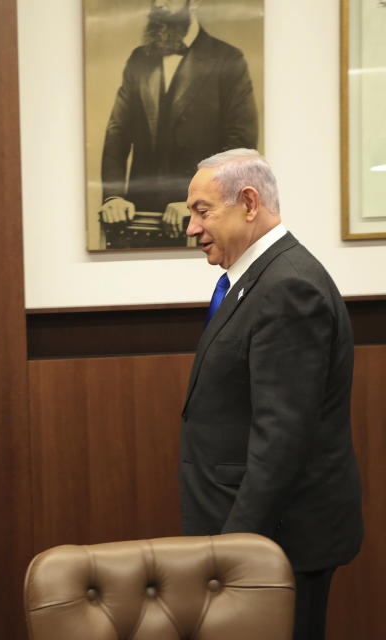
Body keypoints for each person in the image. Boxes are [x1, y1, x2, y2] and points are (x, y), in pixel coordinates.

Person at [180, 149, 363, 640]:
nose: (192, 228)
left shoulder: (288, 287)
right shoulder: (256, 280)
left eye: (202, 211)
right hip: (260, 537)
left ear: (248, 202)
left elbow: (280, 440)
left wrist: (233, 552)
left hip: (279, 543)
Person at [99, 0, 258, 243]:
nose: (159, 4)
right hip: (138, 218)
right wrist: (114, 197)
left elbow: (239, 148)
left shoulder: (228, 59)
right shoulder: (139, 59)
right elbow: (116, 135)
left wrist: (199, 205)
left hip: (203, 225)